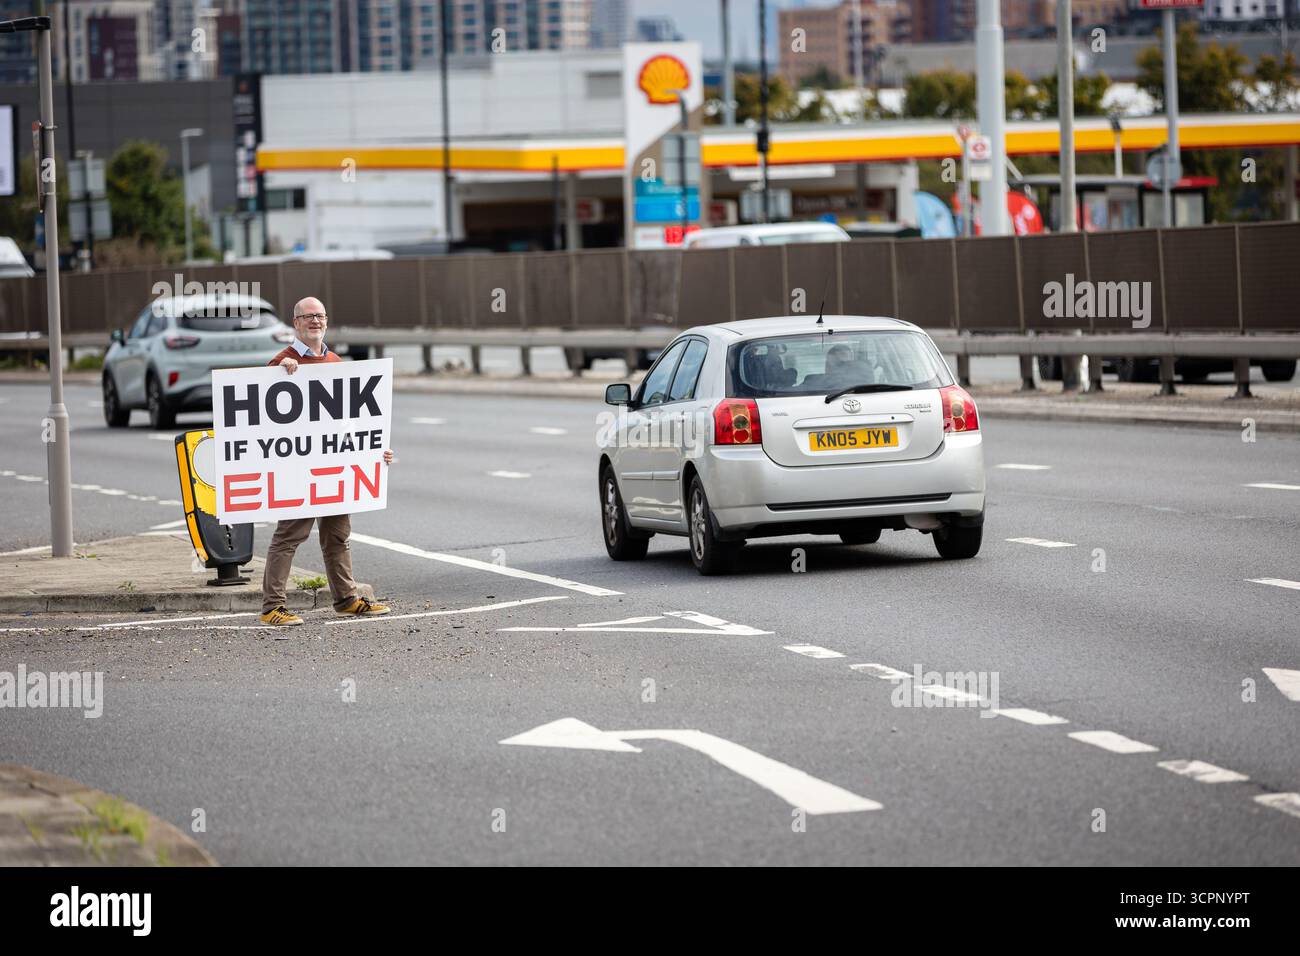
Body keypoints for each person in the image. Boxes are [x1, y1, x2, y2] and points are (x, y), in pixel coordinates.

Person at [259, 296, 393, 626]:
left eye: (319, 316)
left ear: (327, 321)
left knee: (337, 535)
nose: (314, 322)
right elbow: (259, 414)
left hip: (333, 466)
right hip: (298, 468)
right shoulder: (282, 362)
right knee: (290, 534)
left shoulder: (334, 361)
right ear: (296, 323)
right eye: (307, 317)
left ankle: (346, 599)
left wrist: (374, 451)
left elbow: (349, 420)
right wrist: (280, 376)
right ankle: (272, 607)